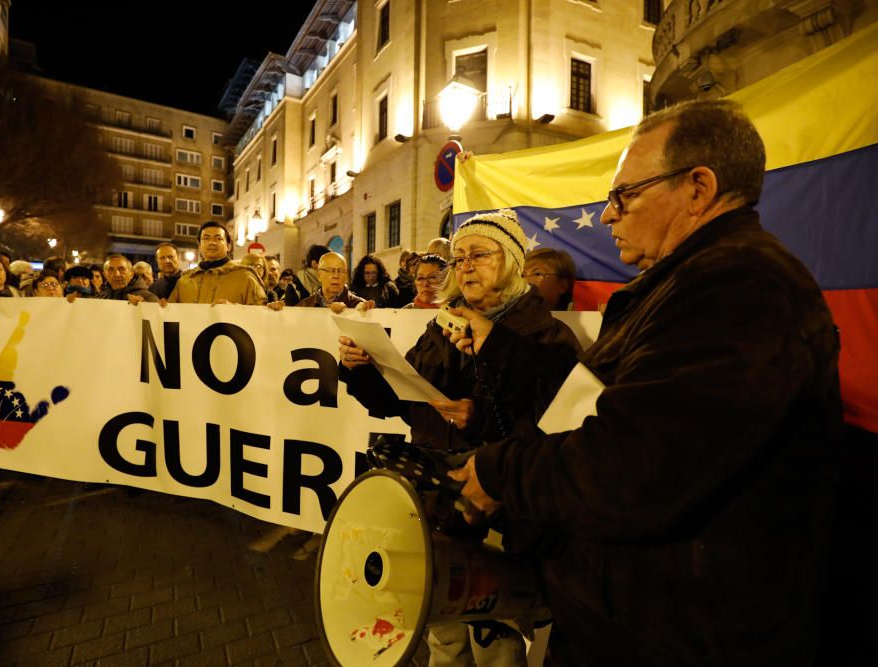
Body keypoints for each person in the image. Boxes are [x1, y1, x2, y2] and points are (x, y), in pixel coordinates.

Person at [449, 100, 841, 667]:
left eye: (623, 195)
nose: (608, 215)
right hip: (624, 620)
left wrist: (500, 472)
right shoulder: (685, 284)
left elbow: (631, 465)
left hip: (680, 637)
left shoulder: (739, 286)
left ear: (697, 189)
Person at [338, 210, 581, 666]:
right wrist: (362, 370)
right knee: (442, 631)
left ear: (511, 261)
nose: (465, 265)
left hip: (500, 514)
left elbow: (560, 429)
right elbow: (402, 402)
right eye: (459, 257)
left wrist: (477, 417)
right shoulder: (442, 325)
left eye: (479, 255)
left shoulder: (547, 334)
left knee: (496, 640)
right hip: (437, 504)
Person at [167, 222, 266, 305]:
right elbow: (171, 314)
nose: (212, 242)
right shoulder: (184, 281)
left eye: (218, 238)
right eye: (206, 238)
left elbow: (260, 314)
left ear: (228, 246)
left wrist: (234, 309)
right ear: (199, 245)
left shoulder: (245, 278)